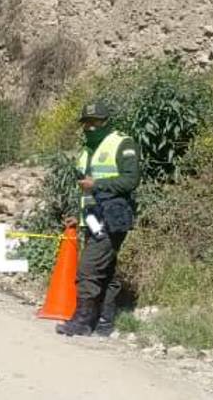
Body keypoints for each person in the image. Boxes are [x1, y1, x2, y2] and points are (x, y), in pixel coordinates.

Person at [56, 101, 140, 337]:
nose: (91, 127)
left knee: (88, 269)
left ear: (106, 121)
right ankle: (104, 321)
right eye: (87, 123)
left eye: (96, 122)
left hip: (112, 218)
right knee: (107, 270)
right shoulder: (85, 151)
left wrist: (98, 184)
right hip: (91, 218)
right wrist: (77, 215)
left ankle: (82, 321)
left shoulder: (122, 143)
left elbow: (130, 180)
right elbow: (85, 191)